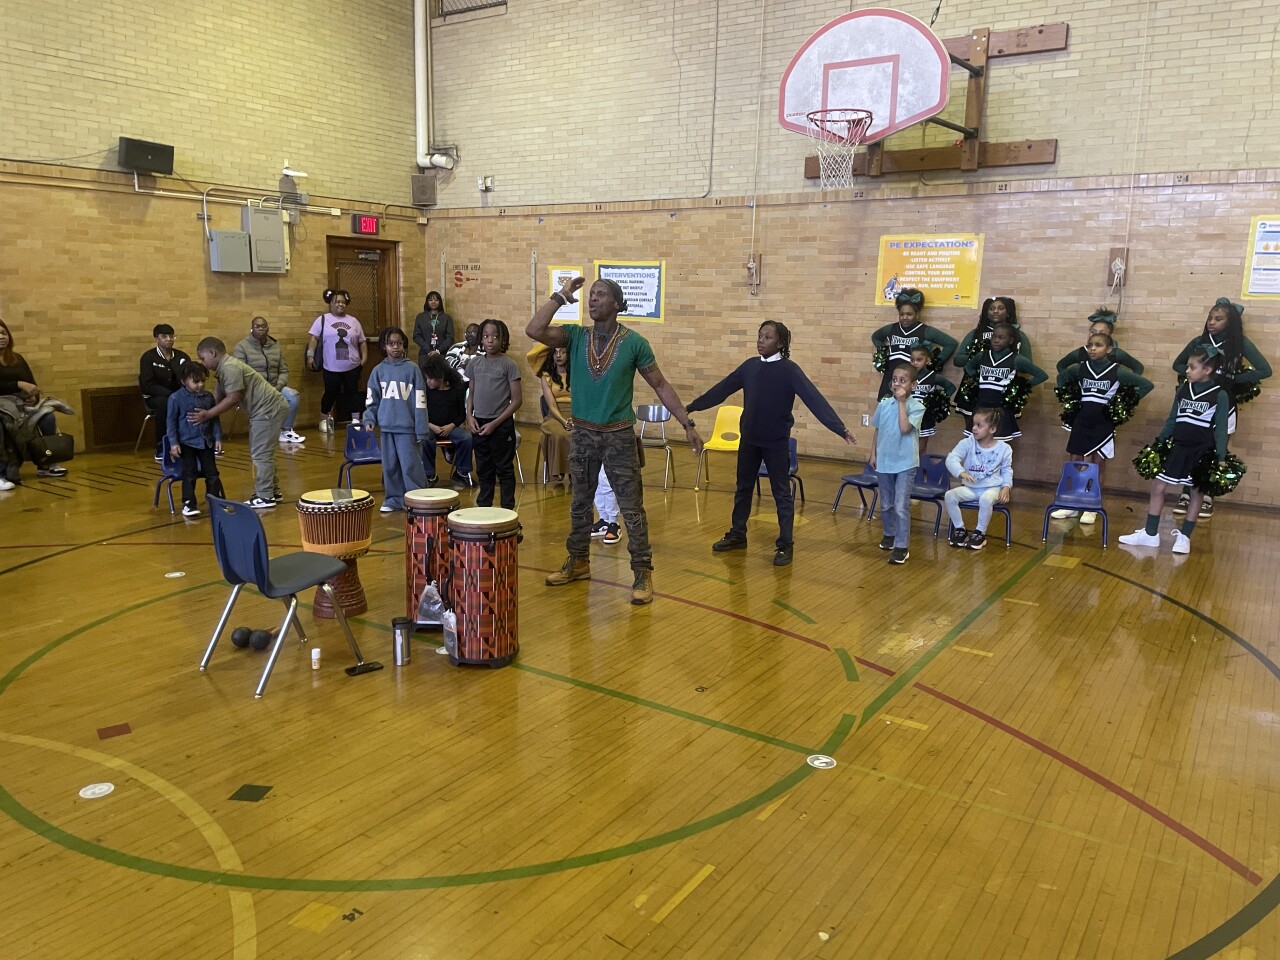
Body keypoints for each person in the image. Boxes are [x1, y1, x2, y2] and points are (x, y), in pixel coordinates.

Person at [527, 275, 704, 605]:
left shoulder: (635, 343)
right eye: (591, 294)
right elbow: (534, 330)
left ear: (617, 304)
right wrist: (560, 296)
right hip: (583, 434)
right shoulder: (575, 336)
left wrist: (687, 423)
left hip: (619, 436)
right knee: (580, 503)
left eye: (601, 294)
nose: (593, 299)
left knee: (631, 507)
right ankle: (578, 560)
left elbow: (660, 385)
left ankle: (642, 570)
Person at [689, 320, 855, 567]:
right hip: (749, 440)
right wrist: (692, 406)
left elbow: (814, 399)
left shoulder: (790, 370)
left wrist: (839, 428)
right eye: (759, 336)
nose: (761, 341)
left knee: (781, 493)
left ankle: (785, 544)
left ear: (780, 343)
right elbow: (721, 389)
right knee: (743, 488)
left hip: (776, 443)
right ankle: (737, 534)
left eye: (767, 337)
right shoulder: (750, 367)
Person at [1120, 346, 1229, 555]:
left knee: (1196, 492)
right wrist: (1159, 443)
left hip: (1201, 450)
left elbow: (1221, 428)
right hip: (1177, 447)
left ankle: (1184, 537)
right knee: (1158, 486)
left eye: (1192, 367)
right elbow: (1172, 419)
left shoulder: (1219, 395)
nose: (1187, 371)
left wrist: (1221, 457)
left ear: (1207, 370)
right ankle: (1150, 533)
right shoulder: (1183, 389)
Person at [1170, 298, 1271, 519]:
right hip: (1197, 403)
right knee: (1190, 446)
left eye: (1218, 319)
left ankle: (1207, 497)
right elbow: (1177, 364)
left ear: (1230, 322)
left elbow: (1265, 370)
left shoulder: (1241, 344)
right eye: (1210, 318)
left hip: (1223, 403)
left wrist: (1233, 378)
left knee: (1216, 447)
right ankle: (1185, 493)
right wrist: (1195, 375)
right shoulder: (1198, 342)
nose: (1212, 322)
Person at [1051, 331, 1153, 524]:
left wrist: (1123, 404)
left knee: (1097, 463)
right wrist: (1071, 399)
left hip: (1103, 423)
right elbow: (1061, 378)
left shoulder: (1117, 371)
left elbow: (1146, 385)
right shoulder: (1081, 368)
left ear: (1109, 349)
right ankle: (1071, 504)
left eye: (1098, 345)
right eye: (1090, 345)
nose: (1093, 349)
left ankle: (1092, 505)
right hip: (1081, 421)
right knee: (1074, 461)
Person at [190, 337, 288, 509]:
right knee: (263, 453)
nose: (202, 363)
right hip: (264, 410)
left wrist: (208, 414)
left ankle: (265, 496)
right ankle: (273, 491)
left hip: (268, 410)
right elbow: (218, 396)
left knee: (261, 454)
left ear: (212, 353)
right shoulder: (223, 369)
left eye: (203, 358)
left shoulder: (230, 367)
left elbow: (233, 398)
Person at [363, 328, 429, 513]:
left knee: (410, 465)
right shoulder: (378, 371)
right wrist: (369, 418)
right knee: (390, 466)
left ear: (404, 345)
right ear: (384, 346)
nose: (395, 347)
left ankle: (416, 499)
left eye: (399, 343)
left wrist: (421, 428)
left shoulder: (412, 369)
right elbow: (372, 399)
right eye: (391, 343)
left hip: (407, 429)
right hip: (386, 428)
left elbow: (420, 401)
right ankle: (393, 499)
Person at [0, 317, 73, 485]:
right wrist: (17, 384)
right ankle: (4, 470)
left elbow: (31, 382)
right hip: (3, 406)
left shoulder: (17, 359)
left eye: (4, 333)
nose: (1, 337)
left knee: (47, 416)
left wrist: (34, 396)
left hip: (22, 404)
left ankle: (47, 462)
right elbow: (18, 384)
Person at [869, 362, 923, 565]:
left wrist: (901, 402)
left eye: (903, 380)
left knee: (900, 506)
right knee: (886, 504)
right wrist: (873, 454)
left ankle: (902, 546)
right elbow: (877, 430)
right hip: (884, 461)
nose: (897, 384)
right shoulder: (883, 405)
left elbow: (904, 428)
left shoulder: (916, 407)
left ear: (913, 385)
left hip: (906, 463)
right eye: (894, 380)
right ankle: (889, 533)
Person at [465, 319, 521, 510]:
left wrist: (495, 423)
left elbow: (517, 400)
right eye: (486, 336)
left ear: (503, 339)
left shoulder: (509, 365)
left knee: (504, 469)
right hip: (479, 423)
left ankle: (507, 510)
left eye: (495, 337)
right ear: (481, 339)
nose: (490, 340)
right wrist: (469, 415)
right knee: (483, 468)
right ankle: (484, 508)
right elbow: (471, 394)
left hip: (501, 425)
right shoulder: (475, 363)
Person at [960, 322, 1047, 441]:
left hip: (1001, 409)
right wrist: (976, 379)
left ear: (1010, 341)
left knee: (1000, 444)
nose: (996, 340)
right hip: (981, 407)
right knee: (976, 442)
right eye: (994, 337)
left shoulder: (1017, 359)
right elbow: (968, 366)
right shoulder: (982, 356)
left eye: (1001, 338)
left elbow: (1041, 375)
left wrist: (1020, 388)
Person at [943, 407, 1013, 551]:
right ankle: (960, 529)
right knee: (949, 496)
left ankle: (980, 533)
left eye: (979, 426)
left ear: (992, 429)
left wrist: (1006, 487)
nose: (974, 428)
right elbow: (952, 458)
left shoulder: (1004, 448)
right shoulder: (967, 443)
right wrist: (961, 472)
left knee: (986, 500)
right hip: (970, 488)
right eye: (974, 424)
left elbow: (1007, 470)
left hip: (992, 489)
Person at [870, 288, 957, 400]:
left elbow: (951, 343)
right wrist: (883, 353)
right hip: (890, 377)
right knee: (885, 408)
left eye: (909, 314)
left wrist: (934, 362)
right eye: (901, 314)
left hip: (911, 381)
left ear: (917, 314)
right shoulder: (892, 329)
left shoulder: (925, 331)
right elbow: (875, 337)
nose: (905, 317)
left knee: (907, 408)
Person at [165, 360, 225, 517]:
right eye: (196, 381)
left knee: (212, 474)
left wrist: (218, 438)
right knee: (189, 474)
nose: (200, 385)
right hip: (187, 443)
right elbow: (171, 422)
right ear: (184, 381)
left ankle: (214, 501)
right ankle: (188, 503)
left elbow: (214, 419)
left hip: (206, 442)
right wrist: (173, 443)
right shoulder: (175, 398)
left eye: (203, 381)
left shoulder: (208, 397)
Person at [233, 316, 305, 443]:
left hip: (275, 387)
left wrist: (279, 386)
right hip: (253, 390)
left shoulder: (275, 346)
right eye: (257, 326)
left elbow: (283, 370)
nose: (260, 329)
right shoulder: (242, 347)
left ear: (268, 328)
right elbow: (240, 374)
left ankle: (286, 431)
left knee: (293, 396)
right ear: (251, 329)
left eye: (263, 326)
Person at [306, 289, 367, 433]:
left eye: (343, 302)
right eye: (337, 301)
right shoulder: (322, 319)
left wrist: (364, 360)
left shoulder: (353, 321)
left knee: (353, 394)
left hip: (352, 366)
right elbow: (314, 338)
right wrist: (310, 355)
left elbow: (362, 341)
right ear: (331, 303)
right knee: (330, 393)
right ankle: (324, 419)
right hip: (331, 367)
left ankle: (356, 420)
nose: (340, 304)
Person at [139, 323, 190, 460]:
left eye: (171, 336)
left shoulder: (182, 356)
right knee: (165, 403)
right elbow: (147, 385)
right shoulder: (148, 357)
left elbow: (189, 378)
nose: (169, 339)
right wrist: (171, 395)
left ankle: (193, 442)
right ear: (156, 338)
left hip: (179, 394)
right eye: (164, 336)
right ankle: (162, 445)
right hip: (156, 397)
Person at [422, 355, 475, 486]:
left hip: (450, 427)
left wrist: (451, 426)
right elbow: (420, 413)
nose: (428, 382)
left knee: (467, 438)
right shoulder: (426, 391)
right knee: (425, 439)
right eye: (427, 378)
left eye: (431, 379)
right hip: (431, 426)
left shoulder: (456, 389)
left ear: (440, 378)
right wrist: (431, 426)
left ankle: (461, 472)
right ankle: (429, 475)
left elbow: (461, 414)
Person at [528, 342, 572, 485]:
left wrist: (575, 419)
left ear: (568, 354)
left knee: (577, 434)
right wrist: (564, 421)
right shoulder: (546, 376)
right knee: (557, 434)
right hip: (555, 415)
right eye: (555, 352)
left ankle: (574, 471)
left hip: (576, 414)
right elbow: (551, 405)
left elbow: (582, 400)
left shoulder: (577, 374)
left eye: (562, 352)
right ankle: (558, 471)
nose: (558, 355)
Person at [1054, 307, 1144, 376]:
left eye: (1102, 333)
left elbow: (1138, 368)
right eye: (1093, 332)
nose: (1096, 335)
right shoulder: (1081, 352)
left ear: (1109, 335)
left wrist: (1127, 387)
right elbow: (1061, 365)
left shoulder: (1117, 354)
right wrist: (1070, 383)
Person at [956, 296, 1034, 368]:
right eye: (991, 309)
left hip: (1006, 377)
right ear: (987, 314)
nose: (995, 311)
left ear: (1008, 313)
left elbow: (1028, 365)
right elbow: (957, 360)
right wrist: (976, 357)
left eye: (1001, 308)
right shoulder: (976, 333)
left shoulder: (1018, 335)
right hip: (976, 377)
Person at [908, 341, 955, 454]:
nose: (915, 363)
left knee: (921, 449)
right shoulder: (907, 376)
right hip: (908, 416)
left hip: (925, 417)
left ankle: (920, 465)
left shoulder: (933, 377)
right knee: (907, 447)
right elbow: (893, 386)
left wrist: (939, 401)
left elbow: (950, 387)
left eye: (919, 360)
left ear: (927, 360)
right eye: (912, 360)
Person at [412, 291, 455, 370]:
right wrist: (428, 350)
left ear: (440, 302)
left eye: (436, 300)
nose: (433, 302)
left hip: (442, 354)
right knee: (426, 376)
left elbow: (450, 338)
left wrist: (438, 351)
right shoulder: (420, 317)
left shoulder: (447, 318)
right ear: (427, 302)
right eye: (430, 300)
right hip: (425, 354)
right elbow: (416, 336)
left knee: (441, 376)